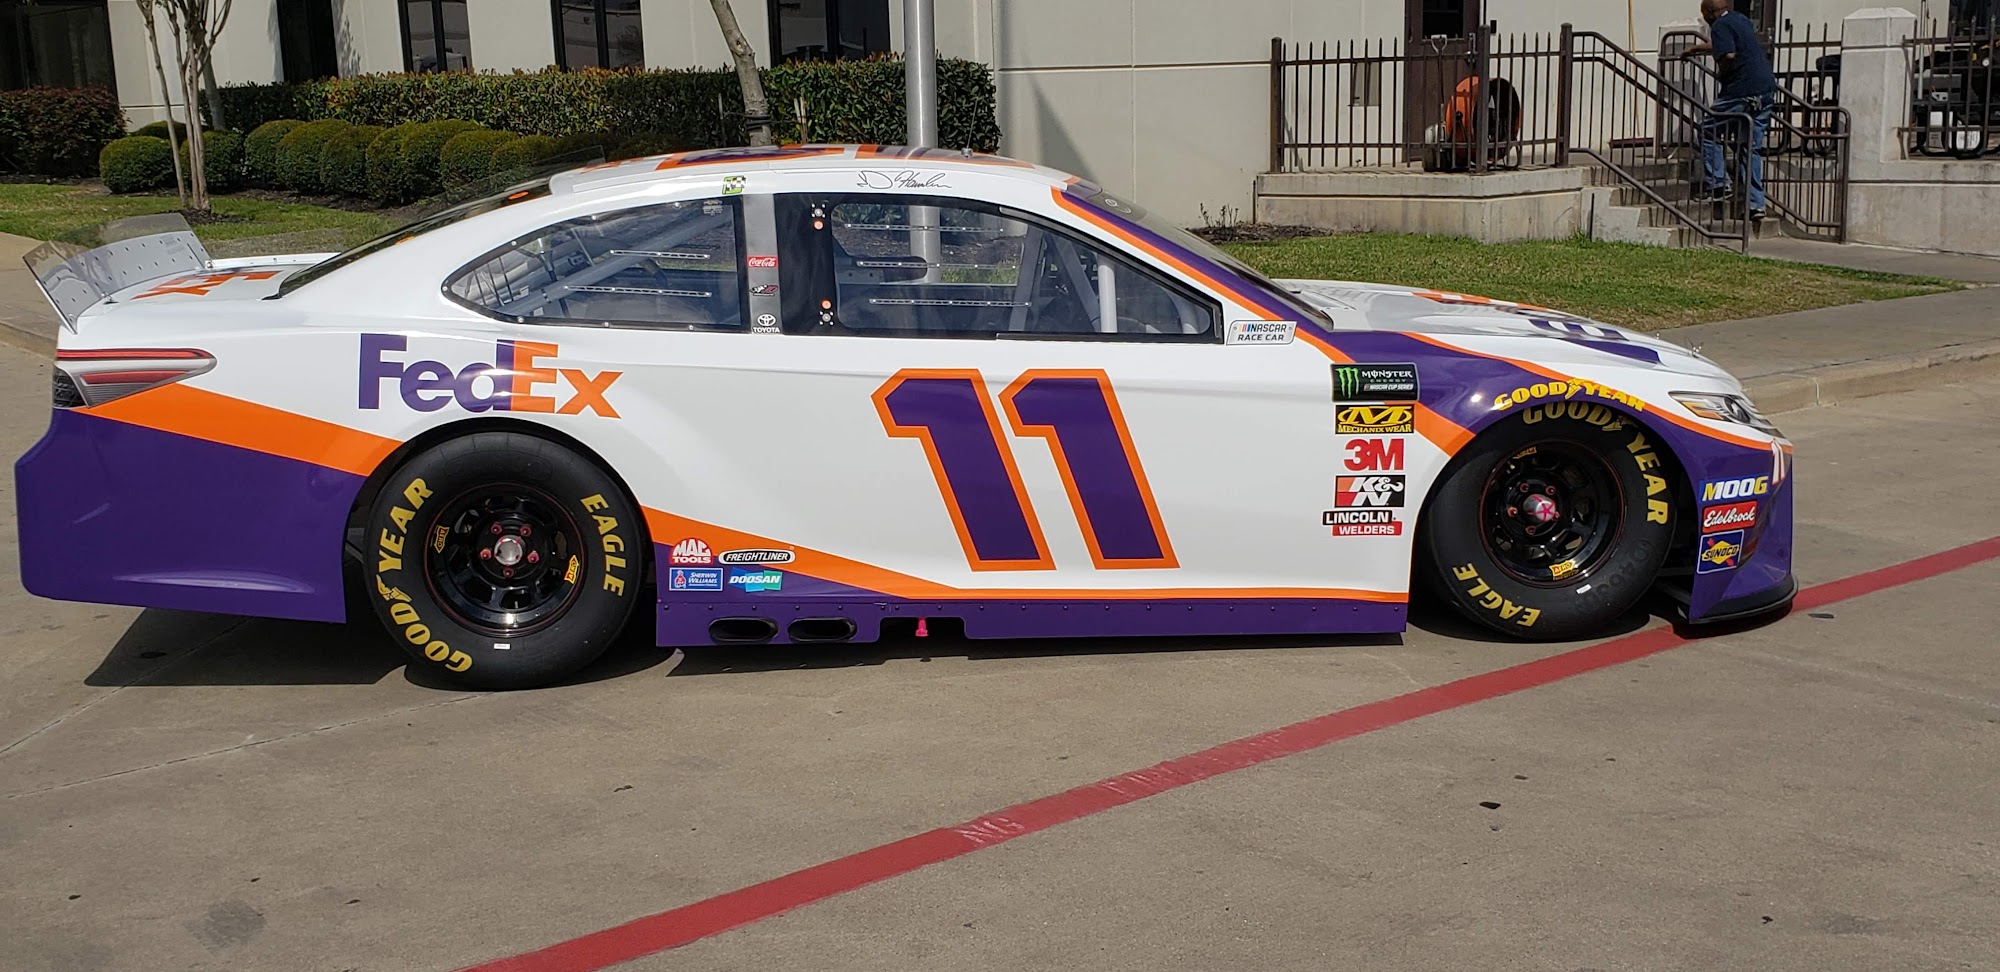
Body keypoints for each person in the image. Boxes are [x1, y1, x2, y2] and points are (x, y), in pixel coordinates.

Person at [1682, 0, 1779, 220]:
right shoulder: (1740, 19)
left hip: (1740, 90)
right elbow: (1723, 45)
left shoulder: (1719, 25)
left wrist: (1723, 73)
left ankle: (1718, 184)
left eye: (1703, 14)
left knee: (1708, 131)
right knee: (1749, 147)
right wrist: (1695, 49)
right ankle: (1755, 204)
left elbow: (1727, 54)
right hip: (1765, 89)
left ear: (1709, 12)